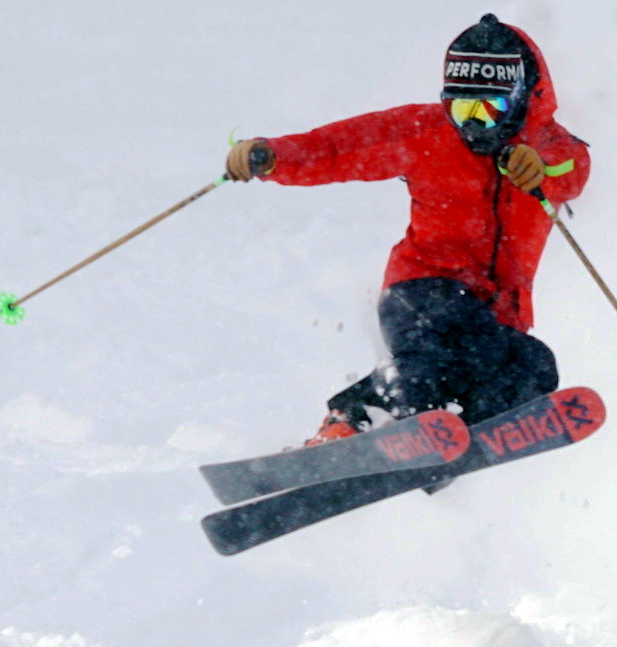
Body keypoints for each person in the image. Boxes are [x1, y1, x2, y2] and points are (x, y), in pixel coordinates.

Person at [225, 13, 591, 445]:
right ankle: (350, 420)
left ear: (521, 97)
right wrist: (274, 156)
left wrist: (538, 168)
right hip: (422, 289)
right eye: (461, 108)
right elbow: (342, 147)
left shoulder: (549, 145)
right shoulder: (427, 132)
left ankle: (452, 446)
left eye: (489, 111)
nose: (473, 125)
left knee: (532, 367)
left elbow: (571, 171)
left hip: (491, 315)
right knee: (438, 360)